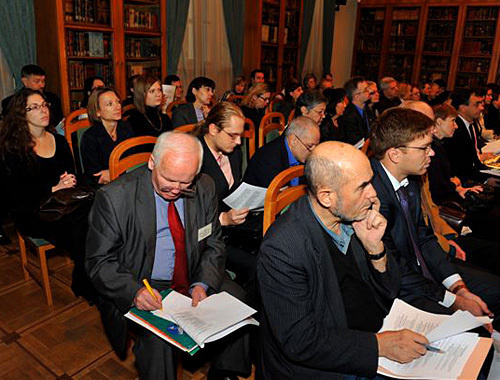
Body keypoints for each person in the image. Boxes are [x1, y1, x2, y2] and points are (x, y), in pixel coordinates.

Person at [85, 132, 251, 380]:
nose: (176, 189)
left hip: (192, 271)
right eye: (169, 179)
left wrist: (202, 282)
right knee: (158, 342)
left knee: (238, 299)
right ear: (152, 162)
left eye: (186, 183)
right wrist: (134, 292)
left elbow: (214, 241)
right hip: (144, 284)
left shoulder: (204, 186)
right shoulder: (115, 198)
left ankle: (224, 373)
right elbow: (98, 262)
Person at [258, 141, 428, 379]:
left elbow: (390, 290)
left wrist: (375, 248)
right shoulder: (283, 248)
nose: (373, 194)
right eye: (362, 187)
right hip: (322, 364)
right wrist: (381, 345)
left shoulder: (355, 218)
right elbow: (300, 341)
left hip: (366, 333)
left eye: (370, 181)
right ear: (327, 197)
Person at [370, 107, 500, 325]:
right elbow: (395, 269)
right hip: (398, 289)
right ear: (394, 154)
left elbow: (425, 238)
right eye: (424, 148)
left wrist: (459, 288)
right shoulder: (371, 196)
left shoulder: (409, 180)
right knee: (471, 327)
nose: (431, 153)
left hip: (423, 270)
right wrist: (453, 300)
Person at [0, 88, 93, 299]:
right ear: (21, 114)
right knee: (83, 225)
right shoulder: (12, 148)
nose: (43, 110)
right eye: (34, 107)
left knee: (96, 214)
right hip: (31, 211)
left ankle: (85, 275)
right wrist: (53, 188)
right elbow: (14, 194)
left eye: (44, 105)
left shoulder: (58, 141)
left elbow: (71, 174)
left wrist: (69, 181)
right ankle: (86, 279)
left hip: (63, 203)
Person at [194, 102, 258, 302]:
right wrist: (223, 219)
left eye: (240, 135)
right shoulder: (195, 157)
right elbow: (189, 214)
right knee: (259, 264)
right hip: (206, 237)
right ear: (213, 129)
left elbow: (232, 189)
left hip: (234, 226)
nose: (239, 142)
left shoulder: (233, 152)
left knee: (274, 247)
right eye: (233, 135)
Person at [243, 116, 319, 188]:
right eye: (309, 146)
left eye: (316, 146)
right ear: (293, 140)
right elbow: (277, 196)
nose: (313, 152)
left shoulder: (299, 154)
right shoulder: (267, 159)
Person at [80, 87, 134, 186]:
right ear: (98, 112)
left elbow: (133, 161)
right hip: (102, 189)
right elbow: (96, 175)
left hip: (127, 182)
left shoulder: (126, 128)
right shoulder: (90, 137)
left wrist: (112, 172)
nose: (117, 107)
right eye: (110, 104)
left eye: (118, 102)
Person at [443, 89, 491, 183]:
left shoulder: (471, 124)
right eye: (477, 104)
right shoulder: (454, 129)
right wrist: (486, 179)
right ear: (463, 108)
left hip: (470, 176)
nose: (481, 108)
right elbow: (460, 167)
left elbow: (473, 161)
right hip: (458, 180)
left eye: (482, 103)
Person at [338, 76, 371, 145]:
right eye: (365, 90)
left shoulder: (367, 109)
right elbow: (356, 142)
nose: (369, 91)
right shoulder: (349, 115)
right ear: (356, 96)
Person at [240, 83, 271, 150]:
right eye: (265, 99)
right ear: (254, 97)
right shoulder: (245, 112)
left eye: (269, 99)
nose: (268, 101)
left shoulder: (260, 109)